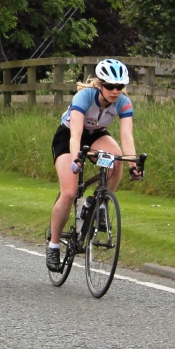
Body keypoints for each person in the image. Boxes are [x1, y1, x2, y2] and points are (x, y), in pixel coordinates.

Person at [46, 58, 140, 272]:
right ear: (99, 84)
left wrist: (133, 162)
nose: (115, 91)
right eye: (109, 86)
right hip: (69, 136)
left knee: (116, 159)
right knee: (69, 193)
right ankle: (53, 244)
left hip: (97, 135)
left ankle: (100, 204)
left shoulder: (124, 102)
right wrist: (76, 158)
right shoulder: (84, 96)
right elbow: (76, 133)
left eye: (119, 86)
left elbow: (126, 135)